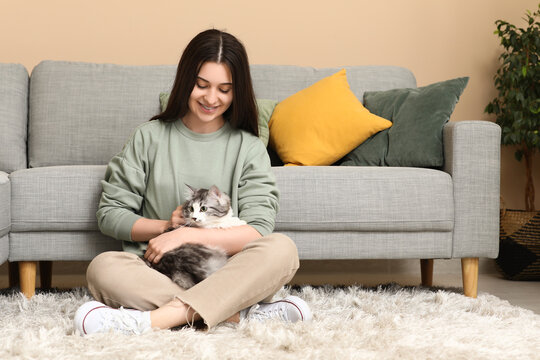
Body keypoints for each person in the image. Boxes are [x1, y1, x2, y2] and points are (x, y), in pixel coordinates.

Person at [73, 29, 312, 335]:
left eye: (224, 89)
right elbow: (111, 215)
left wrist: (187, 237)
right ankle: (237, 315)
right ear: (186, 81)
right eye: (202, 85)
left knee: (282, 249)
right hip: (160, 271)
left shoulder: (248, 147)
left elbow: (259, 229)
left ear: (237, 92)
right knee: (103, 268)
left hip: (227, 271)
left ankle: (150, 322)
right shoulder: (148, 137)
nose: (212, 98)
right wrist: (166, 229)